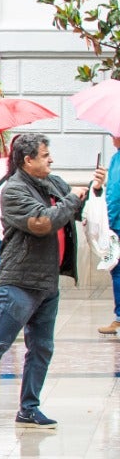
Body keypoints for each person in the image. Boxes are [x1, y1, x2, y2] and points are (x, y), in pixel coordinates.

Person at [0, 134, 103, 429]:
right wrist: (73, 198)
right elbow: (42, 223)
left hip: (47, 280)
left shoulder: (53, 183)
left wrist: (93, 189)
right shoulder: (13, 191)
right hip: (20, 281)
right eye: (45, 155)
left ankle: (29, 407)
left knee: (42, 347)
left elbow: (74, 211)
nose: (51, 159)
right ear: (28, 160)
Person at [107, 141, 120, 335]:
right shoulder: (115, 157)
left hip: (117, 223)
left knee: (117, 269)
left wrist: (108, 221)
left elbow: (115, 195)